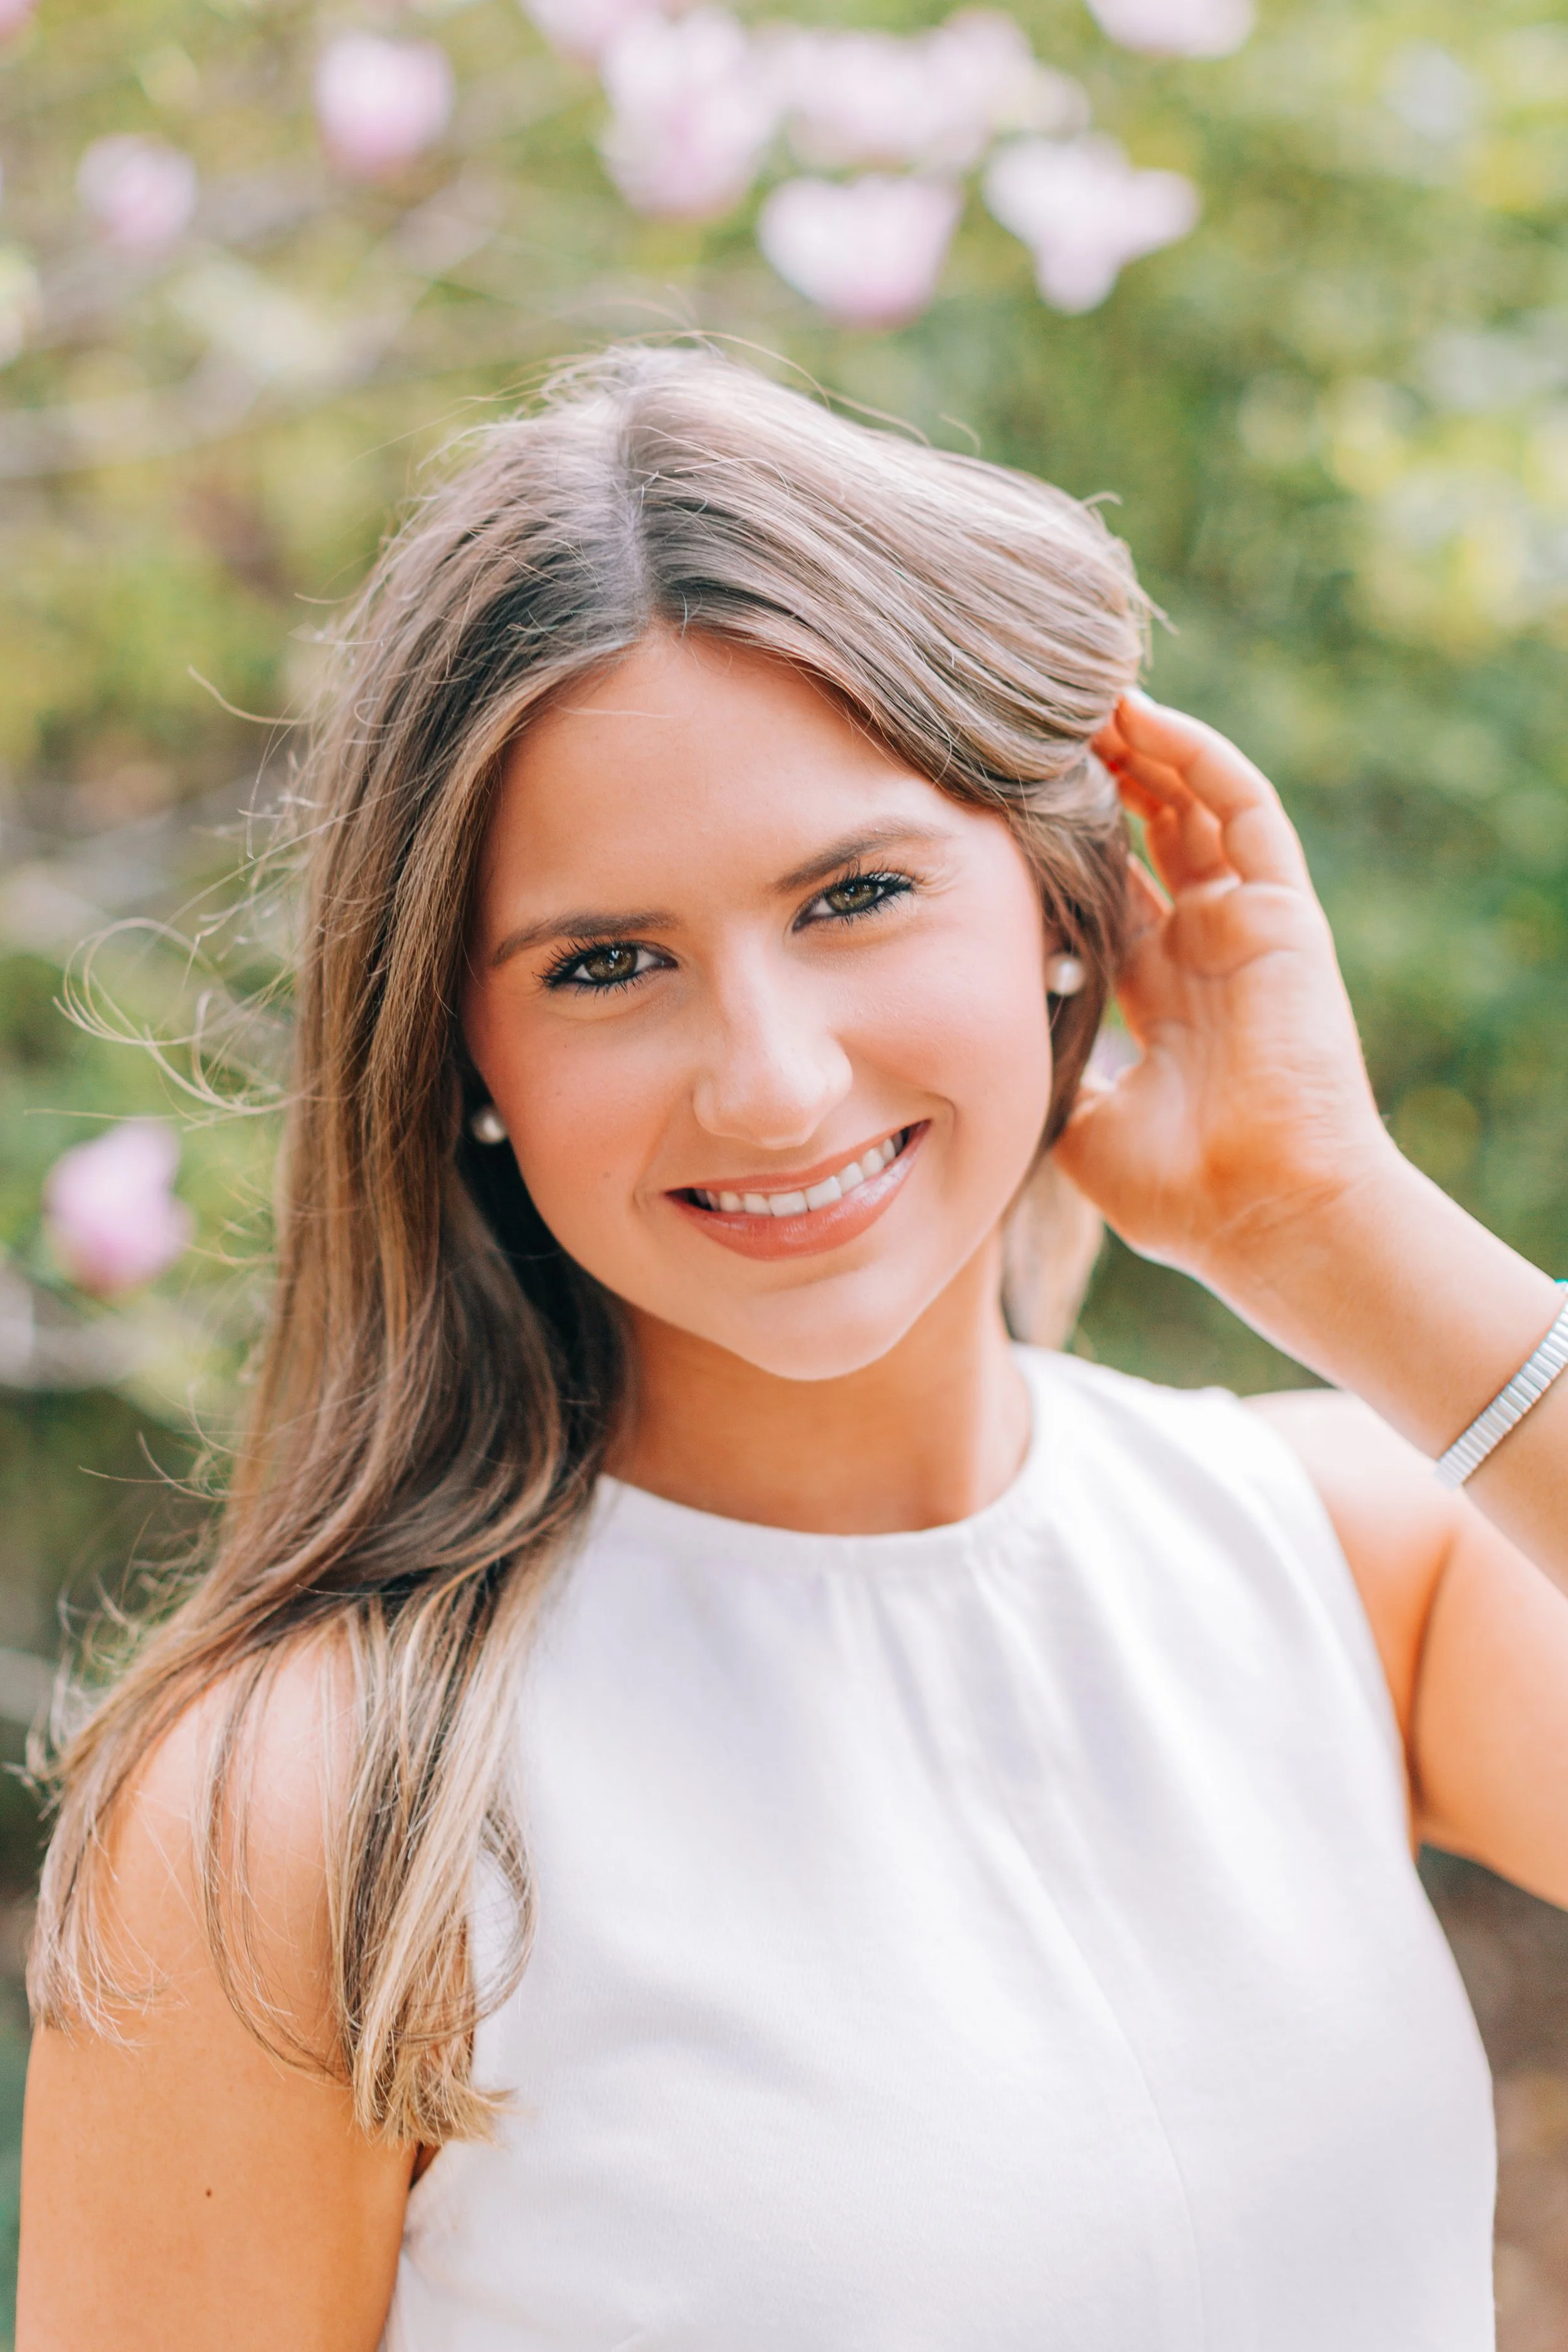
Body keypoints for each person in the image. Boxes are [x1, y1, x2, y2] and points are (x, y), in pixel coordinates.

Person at [16, 346, 1568, 2352]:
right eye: (605, 962)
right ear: (462, 1055)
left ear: (1058, 903)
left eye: (853, 893)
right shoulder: (310, 1809)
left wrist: (1327, 1229)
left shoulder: (1352, 1560)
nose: (768, 1080)